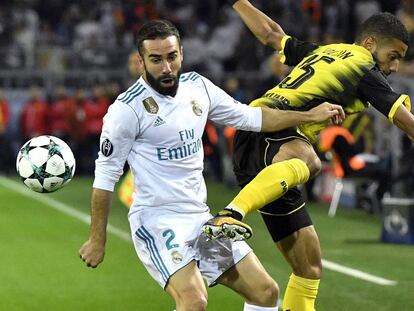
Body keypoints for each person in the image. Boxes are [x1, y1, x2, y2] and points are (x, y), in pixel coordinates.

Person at [78, 19, 344, 311]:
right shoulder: (126, 111)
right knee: (194, 301)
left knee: (265, 292)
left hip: (202, 220)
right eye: (156, 60)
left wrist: (308, 116)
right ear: (140, 62)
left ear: (182, 53)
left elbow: (252, 118)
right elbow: (104, 179)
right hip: (158, 221)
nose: (166, 67)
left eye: (172, 57)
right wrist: (96, 239)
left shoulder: (198, 88)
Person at [203, 1, 414, 310]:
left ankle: (234, 212)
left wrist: (238, 2)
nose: (394, 67)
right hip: (277, 129)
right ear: (370, 44)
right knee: (310, 161)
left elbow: (271, 35)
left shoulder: (323, 52)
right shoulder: (363, 67)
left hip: (261, 141)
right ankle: (230, 214)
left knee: (308, 265)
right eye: (392, 56)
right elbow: (401, 117)